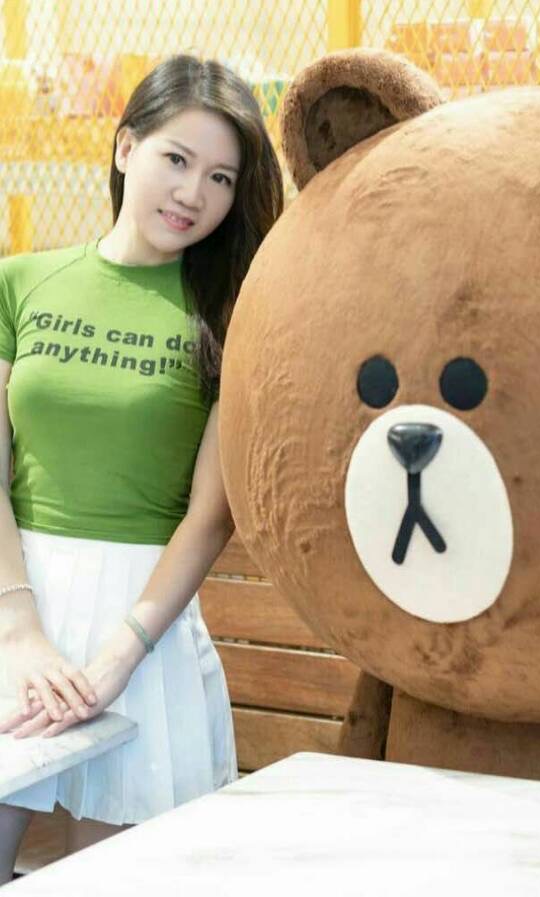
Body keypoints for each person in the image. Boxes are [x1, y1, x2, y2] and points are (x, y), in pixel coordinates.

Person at [0, 54, 284, 883]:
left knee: (113, 878)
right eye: (176, 159)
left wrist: (120, 657)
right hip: (15, 608)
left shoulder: (230, 312)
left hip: (142, 634)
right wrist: (18, 630)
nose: (193, 193)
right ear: (126, 147)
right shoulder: (21, 282)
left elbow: (209, 515)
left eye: (221, 178)